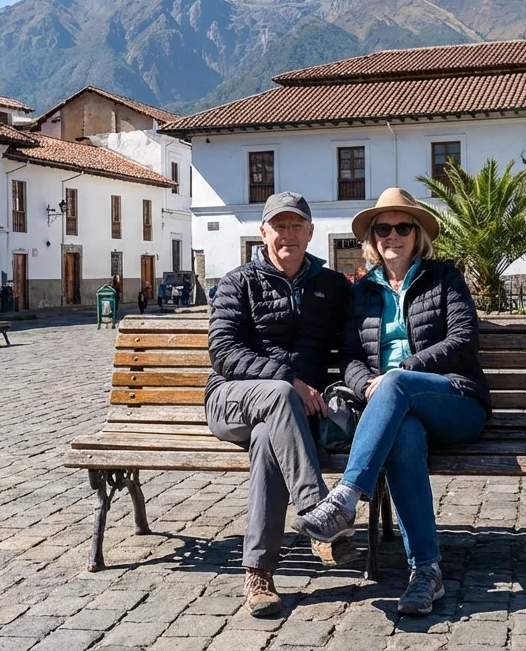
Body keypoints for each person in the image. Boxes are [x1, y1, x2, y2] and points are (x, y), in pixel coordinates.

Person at [293, 188, 488, 616]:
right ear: (373, 238)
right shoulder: (362, 291)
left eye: (403, 227)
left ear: (417, 234)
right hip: (393, 410)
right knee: (404, 435)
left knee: (398, 383)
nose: (393, 235)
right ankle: (427, 572)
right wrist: (366, 385)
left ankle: (345, 500)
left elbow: (463, 341)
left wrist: (402, 372)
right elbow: (349, 354)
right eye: (384, 228)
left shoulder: (444, 278)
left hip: (454, 399)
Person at [206, 191, 350, 617]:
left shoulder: (332, 286)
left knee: (270, 437)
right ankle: (318, 510)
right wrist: (289, 380)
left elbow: (350, 348)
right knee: (280, 395)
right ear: (262, 231)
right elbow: (224, 352)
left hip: (287, 415)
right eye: (279, 225)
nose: (287, 234)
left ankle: (258, 573)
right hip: (233, 398)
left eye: (296, 225)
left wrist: (336, 390)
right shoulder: (238, 282)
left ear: (310, 231)